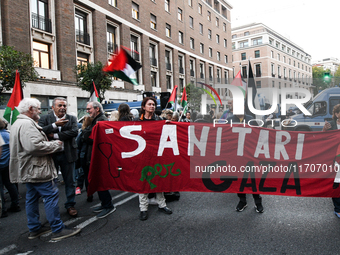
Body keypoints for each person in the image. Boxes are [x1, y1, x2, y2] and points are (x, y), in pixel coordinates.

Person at [9, 98, 81, 240]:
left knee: (32, 197)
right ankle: (58, 229)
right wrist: (55, 144)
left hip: (31, 167)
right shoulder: (27, 124)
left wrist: (52, 136)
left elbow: (72, 132)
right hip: (37, 168)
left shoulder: (18, 123)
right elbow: (35, 146)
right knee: (50, 195)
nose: (40, 111)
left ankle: (35, 228)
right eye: (38, 108)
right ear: (31, 109)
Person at [38, 97, 79, 217]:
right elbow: (41, 131)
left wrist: (55, 135)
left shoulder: (71, 118)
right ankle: (52, 207)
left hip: (68, 155)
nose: (62, 108)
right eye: (60, 105)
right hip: (51, 155)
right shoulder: (45, 118)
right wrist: (55, 125)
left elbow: (74, 132)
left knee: (70, 181)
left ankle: (70, 205)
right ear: (53, 107)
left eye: (64, 106)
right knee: (51, 182)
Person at [136, 97, 172, 220]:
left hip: (157, 155)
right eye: (149, 104)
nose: (152, 106)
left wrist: (168, 125)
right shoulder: (136, 121)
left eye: (153, 104)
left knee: (158, 180)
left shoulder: (160, 120)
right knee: (143, 182)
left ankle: (162, 205)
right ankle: (143, 208)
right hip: (143, 155)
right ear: (143, 107)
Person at [83, 101, 116, 218]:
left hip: (99, 156)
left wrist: (85, 133)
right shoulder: (96, 120)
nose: (87, 111)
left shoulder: (101, 121)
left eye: (89, 109)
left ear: (97, 109)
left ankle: (108, 205)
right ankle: (104, 203)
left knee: (101, 181)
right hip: (94, 154)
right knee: (98, 181)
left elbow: (92, 138)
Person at [227, 114, 264, 213]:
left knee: (253, 178)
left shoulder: (251, 119)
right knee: (239, 179)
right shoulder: (229, 120)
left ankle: (258, 202)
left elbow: (258, 134)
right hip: (236, 155)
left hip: (249, 154)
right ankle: (242, 201)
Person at [322, 104, 340, 218]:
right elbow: (322, 140)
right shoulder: (330, 124)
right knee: (337, 183)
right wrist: (324, 129)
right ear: (337, 114)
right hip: (335, 159)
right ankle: (337, 208)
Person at [0, 119, 20, 218]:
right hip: (8, 163)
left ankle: (2, 209)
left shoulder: (1, 136)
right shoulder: (8, 135)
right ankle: (15, 204)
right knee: (11, 184)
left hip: (1, 164)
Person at [75, 116, 93, 196]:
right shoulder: (93, 132)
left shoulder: (82, 132)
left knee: (84, 174)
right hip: (91, 155)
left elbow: (77, 145)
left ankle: (81, 188)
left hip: (83, 155)